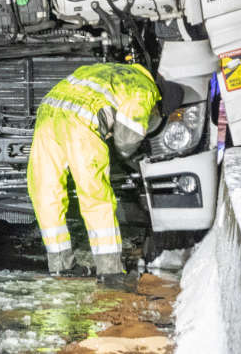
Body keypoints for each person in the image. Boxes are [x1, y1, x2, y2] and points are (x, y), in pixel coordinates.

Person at [26, 62, 161, 283]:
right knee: (95, 196)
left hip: (47, 116)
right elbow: (127, 138)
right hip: (81, 123)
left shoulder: (100, 70)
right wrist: (124, 155)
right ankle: (110, 271)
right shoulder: (144, 88)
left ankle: (60, 267)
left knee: (45, 193)